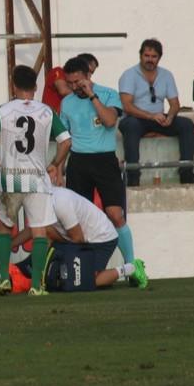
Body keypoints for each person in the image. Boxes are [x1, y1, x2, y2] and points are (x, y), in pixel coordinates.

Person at [0, 64, 71, 296]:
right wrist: (55, 164)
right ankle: (36, 286)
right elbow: (66, 141)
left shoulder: (4, 110)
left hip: (11, 178)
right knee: (39, 231)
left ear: (13, 85)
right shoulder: (47, 111)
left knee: (5, 228)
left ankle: (3, 280)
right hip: (37, 179)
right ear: (36, 86)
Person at [59, 57, 138, 266]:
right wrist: (58, 168)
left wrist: (92, 96)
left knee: (115, 213)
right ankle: (84, 267)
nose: (74, 87)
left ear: (88, 76)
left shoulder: (108, 94)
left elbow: (110, 121)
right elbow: (63, 139)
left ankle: (131, 265)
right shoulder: (66, 103)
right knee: (78, 219)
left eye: (78, 81)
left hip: (104, 160)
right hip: (78, 162)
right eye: (70, 83)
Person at [12, 186, 148, 289]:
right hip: (84, 239)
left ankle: (132, 268)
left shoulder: (60, 203)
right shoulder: (42, 199)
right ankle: (36, 273)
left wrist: (51, 235)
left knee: (86, 281)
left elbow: (78, 239)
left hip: (101, 239)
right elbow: (33, 229)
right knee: (45, 234)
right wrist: (11, 244)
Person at [118, 39, 194, 186]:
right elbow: (127, 106)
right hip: (136, 118)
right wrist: (151, 116)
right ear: (140, 55)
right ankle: (133, 176)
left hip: (159, 118)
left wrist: (171, 116)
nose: (150, 59)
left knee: (186, 124)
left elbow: (175, 104)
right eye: (146, 55)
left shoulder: (166, 75)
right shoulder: (129, 74)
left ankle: (186, 172)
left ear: (159, 57)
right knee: (130, 126)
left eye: (154, 56)